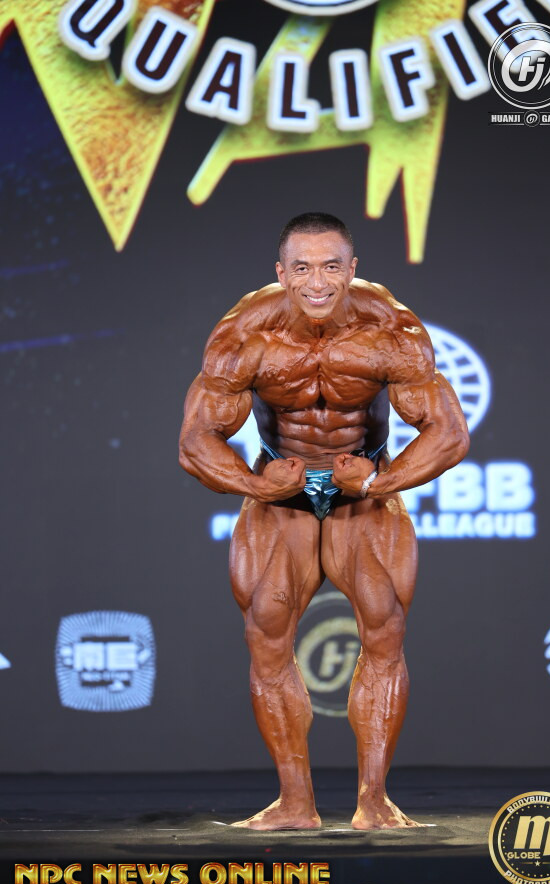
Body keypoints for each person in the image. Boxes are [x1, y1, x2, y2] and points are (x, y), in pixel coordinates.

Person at [179, 212, 470, 830]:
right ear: (281, 272)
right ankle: (295, 803)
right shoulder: (244, 335)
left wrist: (377, 482)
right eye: (303, 268)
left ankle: (374, 801)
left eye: (332, 267)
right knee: (266, 636)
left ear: (352, 269)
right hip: (280, 488)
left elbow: (448, 433)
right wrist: (258, 484)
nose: (318, 282)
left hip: (359, 486)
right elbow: (195, 442)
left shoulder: (389, 328)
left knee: (385, 630)